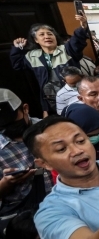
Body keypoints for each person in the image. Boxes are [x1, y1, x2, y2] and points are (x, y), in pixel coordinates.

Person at [10, 14, 89, 115]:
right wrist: (16, 48)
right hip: (50, 101)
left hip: (75, 95)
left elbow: (77, 41)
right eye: (42, 34)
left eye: (50, 34)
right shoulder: (32, 56)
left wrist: (83, 27)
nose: (47, 36)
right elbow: (17, 65)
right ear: (36, 40)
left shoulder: (67, 50)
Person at [0, 89, 53, 218]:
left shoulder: (50, 130)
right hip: (24, 214)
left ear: (25, 109)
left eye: (11, 121)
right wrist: (6, 184)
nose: (7, 128)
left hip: (63, 203)